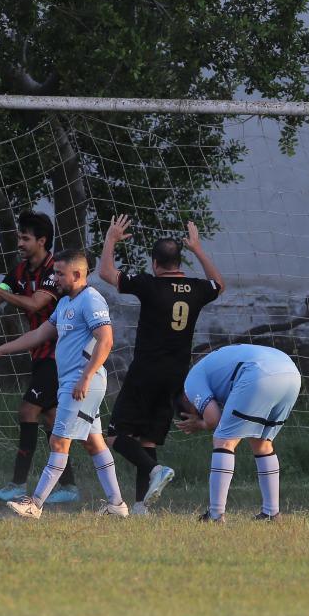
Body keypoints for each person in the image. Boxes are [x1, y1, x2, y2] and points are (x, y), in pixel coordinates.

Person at [0, 248, 128, 519]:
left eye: (59, 274)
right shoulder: (64, 304)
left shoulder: (91, 300)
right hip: (73, 382)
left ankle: (34, 504)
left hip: (83, 382)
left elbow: (106, 340)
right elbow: (38, 334)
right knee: (94, 442)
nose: (55, 279)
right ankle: (117, 505)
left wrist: (85, 377)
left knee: (59, 442)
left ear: (77, 274)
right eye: (54, 273)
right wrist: (1, 349)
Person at [98, 216, 225, 513]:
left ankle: (156, 472)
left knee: (116, 435)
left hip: (146, 371)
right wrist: (198, 249)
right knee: (148, 439)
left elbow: (105, 272)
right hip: (178, 374)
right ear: (179, 261)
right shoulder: (196, 288)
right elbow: (219, 284)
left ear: (155, 262)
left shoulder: (149, 285)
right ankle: (142, 506)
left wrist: (112, 238)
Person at [0, 211, 79, 504]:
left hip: (60, 356)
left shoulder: (54, 270)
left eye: (25, 238)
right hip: (40, 353)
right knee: (50, 419)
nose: (19, 243)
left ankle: (18, 485)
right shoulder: (19, 272)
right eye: (19, 237)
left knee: (27, 411)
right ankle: (70, 488)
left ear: (42, 241)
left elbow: (35, 304)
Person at [174, 343, 299, 522]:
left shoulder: (190, 385)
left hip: (258, 374)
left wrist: (200, 424)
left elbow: (213, 418)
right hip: (291, 372)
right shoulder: (209, 367)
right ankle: (272, 513)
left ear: (186, 400)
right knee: (262, 443)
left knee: (224, 441)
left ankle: (215, 515)